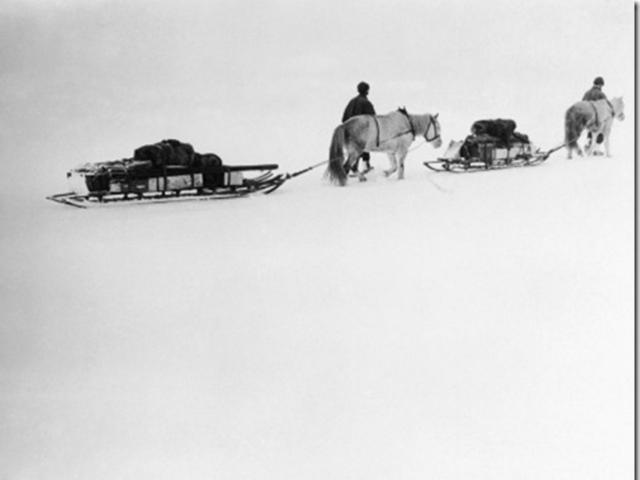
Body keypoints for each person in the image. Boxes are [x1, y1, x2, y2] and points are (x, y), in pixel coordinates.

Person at [342, 81, 376, 173]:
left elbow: (344, 118)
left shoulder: (351, 101)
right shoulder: (366, 103)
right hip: (361, 132)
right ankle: (361, 166)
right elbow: (373, 119)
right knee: (363, 148)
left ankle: (360, 166)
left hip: (348, 131)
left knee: (355, 150)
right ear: (367, 91)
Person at [582, 77, 608, 154]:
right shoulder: (601, 94)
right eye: (601, 85)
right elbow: (605, 107)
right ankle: (596, 150)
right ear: (600, 85)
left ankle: (588, 144)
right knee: (600, 133)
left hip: (586, 117)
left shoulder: (587, 93)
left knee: (590, 131)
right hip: (597, 117)